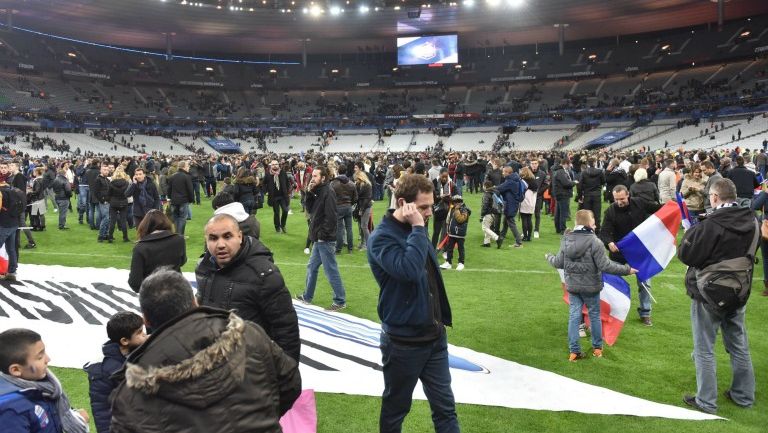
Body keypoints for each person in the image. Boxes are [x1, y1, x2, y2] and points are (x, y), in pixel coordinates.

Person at [110, 267, 301, 433]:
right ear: (195, 302)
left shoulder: (133, 390)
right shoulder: (248, 334)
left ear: (146, 320)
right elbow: (290, 382)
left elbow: (289, 382)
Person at [367, 173, 459, 433]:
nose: (429, 212)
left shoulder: (415, 229)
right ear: (403, 203)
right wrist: (418, 228)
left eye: (431, 206)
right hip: (403, 343)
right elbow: (408, 270)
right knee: (395, 410)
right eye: (423, 207)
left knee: (445, 409)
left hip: (434, 337)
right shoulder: (382, 237)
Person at [678, 178, 757, 414]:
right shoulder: (752, 219)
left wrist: (690, 233)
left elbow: (687, 255)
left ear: (714, 197)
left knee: (704, 348)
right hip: (739, 291)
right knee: (738, 345)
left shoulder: (710, 224)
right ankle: (743, 396)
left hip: (707, 294)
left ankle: (706, 401)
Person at [197, 214, 299, 361]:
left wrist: (286, 374)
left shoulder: (264, 274)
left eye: (227, 236)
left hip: (253, 368)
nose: (220, 244)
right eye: (213, 238)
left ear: (240, 237)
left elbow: (286, 330)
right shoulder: (203, 268)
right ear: (206, 241)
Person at [546, 209, 637, 361]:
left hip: (573, 287)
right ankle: (597, 349)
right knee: (594, 316)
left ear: (576, 223)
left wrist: (548, 257)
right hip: (591, 287)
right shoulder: (596, 242)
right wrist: (627, 270)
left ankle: (574, 352)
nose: (595, 226)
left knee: (574, 316)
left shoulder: (566, 239)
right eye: (594, 224)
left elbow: (558, 263)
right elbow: (606, 266)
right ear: (589, 223)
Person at [0, 328, 90, 433]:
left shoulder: (42, 387)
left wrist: (75, 418)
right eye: (40, 357)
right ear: (16, 370)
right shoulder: (11, 411)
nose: (48, 359)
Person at [600, 185, 661, 326]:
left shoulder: (639, 202)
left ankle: (645, 313)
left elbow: (658, 209)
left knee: (645, 283)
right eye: (616, 199)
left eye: (622, 198)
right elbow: (604, 232)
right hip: (618, 256)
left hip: (640, 253)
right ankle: (613, 312)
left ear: (628, 195)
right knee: (612, 284)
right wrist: (609, 243)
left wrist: (673, 206)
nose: (619, 202)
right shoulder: (610, 211)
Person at [85, 312, 147, 433]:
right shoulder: (103, 371)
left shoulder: (141, 350)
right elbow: (102, 410)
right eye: (139, 333)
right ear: (124, 341)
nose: (144, 335)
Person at [296, 166, 347, 311]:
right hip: (319, 237)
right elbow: (311, 210)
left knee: (330, 270)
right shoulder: (318, 191)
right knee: (312, 267)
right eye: (312, 175)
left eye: (316, 176)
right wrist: (309, 193)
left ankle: (340, 300)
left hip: (324, 239)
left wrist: (323, 236)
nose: (312, 178)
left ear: (323, 178)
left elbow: (331, 217)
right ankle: (307, 296)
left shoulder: (328, 192)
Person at [128, 209, 186, 293]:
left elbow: (135, 282)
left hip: (154, 296)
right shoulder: (179, 240)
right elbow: (182, 261)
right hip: (177, 290)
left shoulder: (140, 248)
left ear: (145, 226)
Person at [331, 165, 358, 254]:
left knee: (339, 229)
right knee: (349, 228)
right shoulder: (351, 183)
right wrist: (350, 203)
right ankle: (350, 248)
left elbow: (330, 197)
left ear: (338, 171)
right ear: (346, 171)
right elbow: (355, 198)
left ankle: (338, 249)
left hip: (338, 207)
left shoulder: (334, 183)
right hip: (348, 206)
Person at [496, 165, 524, 248]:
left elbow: (500, 188)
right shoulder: (513, 179)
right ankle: (501, 237)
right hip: (512, 204)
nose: (502, 173)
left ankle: (519, 242)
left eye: (504, 171)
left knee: (511, 223)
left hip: (510, 205)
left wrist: (490, 188)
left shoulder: (510, 181)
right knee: (506, 222)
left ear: (508, 173)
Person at [441, 195, 471, 271]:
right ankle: (448, 262)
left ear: (458, 202)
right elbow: (449, 220)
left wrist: (457, 210)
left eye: (454, 202)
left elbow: (461, 219)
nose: (453, 203)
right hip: (452, 233)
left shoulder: (464, 210)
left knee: (461, 249)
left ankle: (461, 263)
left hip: (460, 233)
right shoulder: (453, 208)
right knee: (449, 248)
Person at [576, 157, 605, 232]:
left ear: (588, 163)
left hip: (587, 195)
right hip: (596, 195)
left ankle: (587, 229)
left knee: (587, 214)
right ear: (594, 163)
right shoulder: (600, 171)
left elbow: (580, 185)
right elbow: (603, 181)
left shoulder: (584, 172)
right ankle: (597, 229)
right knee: (597, 214)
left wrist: (580, 196)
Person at [167, 160, 194, 236]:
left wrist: (169, 198)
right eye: (188, 166)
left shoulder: (172, 176)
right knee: (182, 218)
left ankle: (177, 234)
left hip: (174, 201)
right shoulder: (187, 176)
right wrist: (191, 200)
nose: (189, 167)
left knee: (175, 218)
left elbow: (169, 189)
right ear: (184, 167)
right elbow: (190, 190)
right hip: (183, 201)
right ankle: (180, 235)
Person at [263, 160, 290, 233]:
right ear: (271, 166)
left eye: (276, 164)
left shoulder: (283, 173)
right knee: (276, 213)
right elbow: (263, 183)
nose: (274, 165)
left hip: (283, 196)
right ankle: (277, 227)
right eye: (273, 164)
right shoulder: (268, 174)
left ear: (278, 165)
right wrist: (266, 191)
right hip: (273, 197)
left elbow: (287, 182)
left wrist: (288, 191)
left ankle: (283, 225)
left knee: (285, 210)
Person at [551, 159, 576, 235]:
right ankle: (563, 229)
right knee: (563, 213)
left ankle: (558, 228)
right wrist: (574, 183)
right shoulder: (561, 172)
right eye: (569, 164)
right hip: (563, 194)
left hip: (560, 193)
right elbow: (566, 183)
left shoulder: (558, 171)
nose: (570, 166)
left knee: (558, 212)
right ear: (565, 164)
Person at [431, 168, 454, 248]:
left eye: (446, 177)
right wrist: (441, 197)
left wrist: (450, 197)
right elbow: (432, 198)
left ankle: (443, 248)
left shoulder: (451, 183)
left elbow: (456, 196)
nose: (444, 178)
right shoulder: (434, 182)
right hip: (438, 211)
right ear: (439, 175)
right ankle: (433, 249)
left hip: (448, 210)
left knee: (446, 231)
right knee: (436, 231)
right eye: (443, 176)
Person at [107, 169, 131, 243]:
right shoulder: (126, 183)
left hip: (114, 202)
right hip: (123, 202)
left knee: (112, 221)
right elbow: (128, 193)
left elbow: (108, 194)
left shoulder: (111, 183)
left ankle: (110, 237)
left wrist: (110, 200)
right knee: (123, 220)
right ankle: (125, 237)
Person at [354, 170, 373, 250]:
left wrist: (362, 209)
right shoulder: (358, 185)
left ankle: (368, 244)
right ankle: (362, 243)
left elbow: (367, 199)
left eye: (357, 179)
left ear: (361, 178)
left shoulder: (367, 186)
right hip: (360, 206)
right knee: (360, 226)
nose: (355, 180)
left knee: (364, 226)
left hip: (365, 207)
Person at [519, 167, 538, 241]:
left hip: (525, 201)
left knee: (524, 219)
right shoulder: (534, 181)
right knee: (529, 219)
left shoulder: (523, 181)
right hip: (532, 202)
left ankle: (525, 236)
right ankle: (529, 237)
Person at [93, 164, 111, 242]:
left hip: (108, 201)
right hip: (104, 202)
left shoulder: (106, 179)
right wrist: (103, 200)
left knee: (107, 218)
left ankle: (105, 234)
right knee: (106, 218)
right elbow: (96, 192)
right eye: (104, 169)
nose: (106, 171)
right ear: (100, 170)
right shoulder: (98, 179)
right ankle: (101, 235)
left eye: (107, 170)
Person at [479, 180, 500, 247]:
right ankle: (487, 242)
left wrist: (482, 215)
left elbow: (485, 205)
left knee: (484, 228)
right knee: (487, 227)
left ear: (485, 186)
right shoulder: (493, 193)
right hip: (493, 213)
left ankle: (497, 238)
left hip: (488, 213)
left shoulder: (486, 194)